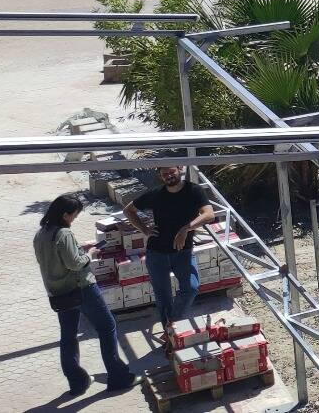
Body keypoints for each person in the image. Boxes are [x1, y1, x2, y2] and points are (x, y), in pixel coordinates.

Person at [35, 192, 136, 396]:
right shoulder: (64, 234)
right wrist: (89, 254)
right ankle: (118, 376)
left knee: (68, 336)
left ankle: (77, 381)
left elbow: (56, 257)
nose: (75, 219)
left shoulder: (41, 234)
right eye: (74, 215)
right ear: (65, 215)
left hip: (59, 293)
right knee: (107, 327)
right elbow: (74, 263)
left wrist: (80, 248)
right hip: (82, 288)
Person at [123, 166, 216, 335]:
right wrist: (144, 230)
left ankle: (172, 323)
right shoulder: (156, 194)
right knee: (163, 298)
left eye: (171, 171)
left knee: (191, 288)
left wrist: (186, 229)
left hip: (183, 253)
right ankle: (171, 336)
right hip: (156, 253)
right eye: (164, 174)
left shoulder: (193, 191)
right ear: (160, 175)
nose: (169, 176)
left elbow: (209, 215)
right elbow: (128, 210)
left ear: (179, 169)